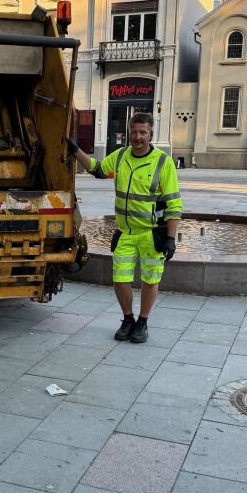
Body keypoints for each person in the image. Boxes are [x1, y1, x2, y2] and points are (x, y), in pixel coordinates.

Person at [67, 113, 182, 343]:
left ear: (151, 135)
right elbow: (98, 169)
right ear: (128, 133)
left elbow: (173, 203)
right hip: (125, 233)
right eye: (134, 132)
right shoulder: (120, 157)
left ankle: (143, 322)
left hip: (152, 234)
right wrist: (76, 151)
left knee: (150, 280)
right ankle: (128, 319)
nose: (138, 137)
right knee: (120, 279)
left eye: (143, 132)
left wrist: (170, 238)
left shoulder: (163, 162)